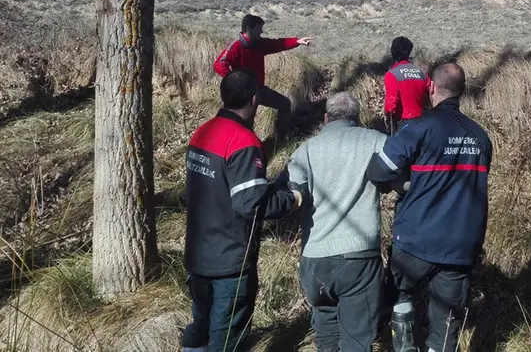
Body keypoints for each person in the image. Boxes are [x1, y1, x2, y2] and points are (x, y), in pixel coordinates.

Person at [366, 62, 492, 352]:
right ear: (462, 91)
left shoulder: (418, 127)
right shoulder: (481, 137)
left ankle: (404, 346)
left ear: (431, 87)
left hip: (416, 238)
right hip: (462, 244)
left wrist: (404, 184)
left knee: (398, 293)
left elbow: (379, 172)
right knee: (447, 322)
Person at [181, 68, 310, 352]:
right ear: (255, 100)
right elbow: (250, 203)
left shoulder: (202, 133)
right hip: (230, 260)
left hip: (199, 252)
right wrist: (293, 199)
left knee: (199, 329)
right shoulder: (243, 142)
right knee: (227, 339)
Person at [284, 91, 388, 352]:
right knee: (357, 341)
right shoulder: (377, 141)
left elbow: (295, 194)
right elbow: (402, 181)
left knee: (326, 338)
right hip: (358, 259)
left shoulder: (304, 151)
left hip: (315, 259)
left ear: (327, 117)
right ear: (358, 118)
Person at [213, 14, 313, 141]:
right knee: (246, 126)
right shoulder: (235, 46)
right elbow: (219, 65)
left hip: (260, 90)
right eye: (259, 28)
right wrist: (237, 83)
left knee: (285, 104)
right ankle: (247, 150)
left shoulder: (258, 44)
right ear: (249, 28)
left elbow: (277, 44)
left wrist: (297, 41)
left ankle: (280, 140)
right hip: (246, 96)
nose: (262, 31)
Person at [383, 36, 430, 134]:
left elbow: (391, 105)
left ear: (392, 52)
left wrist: (388, 120)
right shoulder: (421, 73)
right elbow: (432, 93)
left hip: (403, 123)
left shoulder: (392, 74)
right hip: (423, 121)